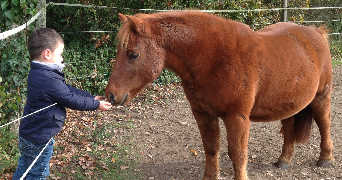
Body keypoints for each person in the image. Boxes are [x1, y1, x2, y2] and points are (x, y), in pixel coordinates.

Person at [12, 28, 112, 180]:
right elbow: (70, 99)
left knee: (24, 167)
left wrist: (91, 98)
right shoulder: (48, 78)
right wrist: (96, 105)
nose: (62, 58)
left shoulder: (38, 72)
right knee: (37, 174)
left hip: (28, 134)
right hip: (39, 139)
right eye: (60, 53)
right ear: (47, 54)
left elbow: (66, 90)